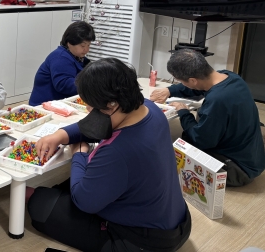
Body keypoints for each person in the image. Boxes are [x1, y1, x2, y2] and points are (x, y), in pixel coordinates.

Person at [29, 58, 191, 252]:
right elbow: (96, 125)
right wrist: (60, 135)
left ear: (111, 105)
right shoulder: (149, 109)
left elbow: (84, 202)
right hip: (178, 222)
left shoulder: (118, 150)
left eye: (90, 106)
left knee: (40, 204)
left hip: (143, 242)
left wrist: (79, 154)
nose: (88, 110)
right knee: (65, 188)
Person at [150, 49, 265, 187]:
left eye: (180, 81)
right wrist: (170, 90)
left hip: (239, 170)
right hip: (253, 158)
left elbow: (201, 140)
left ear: (192, 80)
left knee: (174, 150)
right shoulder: (230, 77)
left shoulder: (217, 100)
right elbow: (197, 87)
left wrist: (183, 112)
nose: (179, 83)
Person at [29, 21, 95, 106]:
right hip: (43, 106)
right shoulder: (60, 57)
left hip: (60, 103)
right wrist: (92, 85)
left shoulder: (77, 57)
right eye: (83, 46)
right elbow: (63, 85)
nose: (86, 50)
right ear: (69, 42)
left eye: (88, 45)